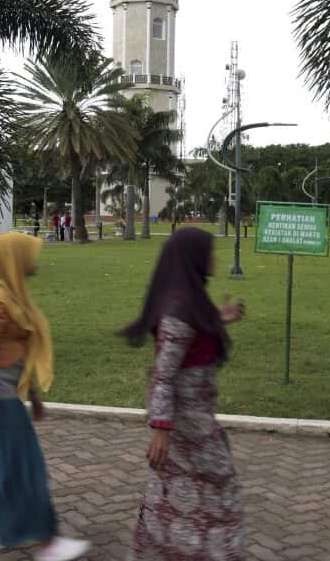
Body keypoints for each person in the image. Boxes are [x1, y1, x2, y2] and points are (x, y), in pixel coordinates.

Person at [0, 233, 90, 561]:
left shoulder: (12, 296)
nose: (35, 261)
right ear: (12, 259)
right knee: (27, 467)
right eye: (29, 254)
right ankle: (47, 542)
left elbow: (19, 351)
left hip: (5, 400)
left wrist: (33, 393)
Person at [120, 228, 248, 560]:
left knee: (184, 499)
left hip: (198, 424)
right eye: (209, 252)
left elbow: (197, 328)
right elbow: (163, 376)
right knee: (211, 496)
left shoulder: (188, 300)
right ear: (193, 257)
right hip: (188, 428)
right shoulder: (178, 311)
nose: (214, 258)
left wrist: (222, 317)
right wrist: (161, 429)